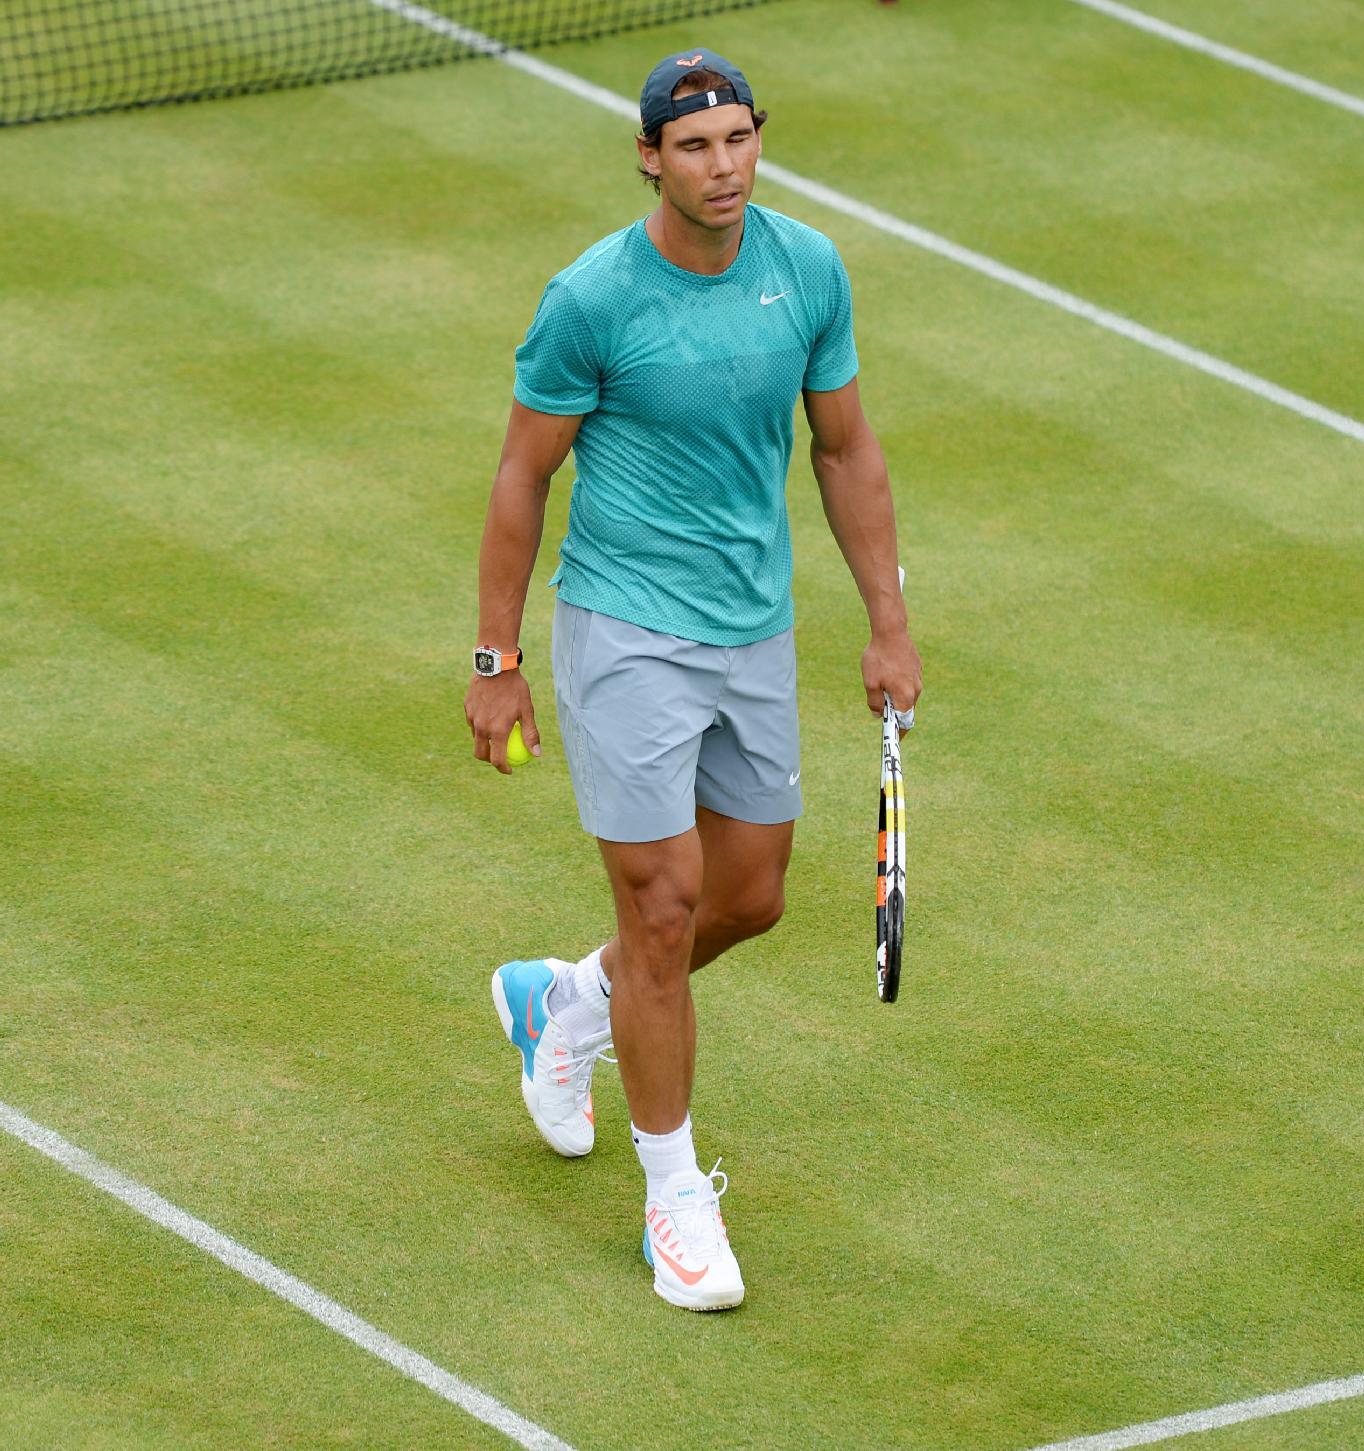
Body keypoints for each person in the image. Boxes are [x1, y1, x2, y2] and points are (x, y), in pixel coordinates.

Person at [464, 48, 921, 1312]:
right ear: (650, 159)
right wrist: (497, 659)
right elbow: (522, 477)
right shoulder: (592, 298)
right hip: (623, 628)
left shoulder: (808, 269)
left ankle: (568, 1002)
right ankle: (676, 1199)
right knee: (664, 905)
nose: (724, 166)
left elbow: (846, 450)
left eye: (740, 140)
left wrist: (888, 624)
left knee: (752, 894)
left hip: (752, 632)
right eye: (697, 145)